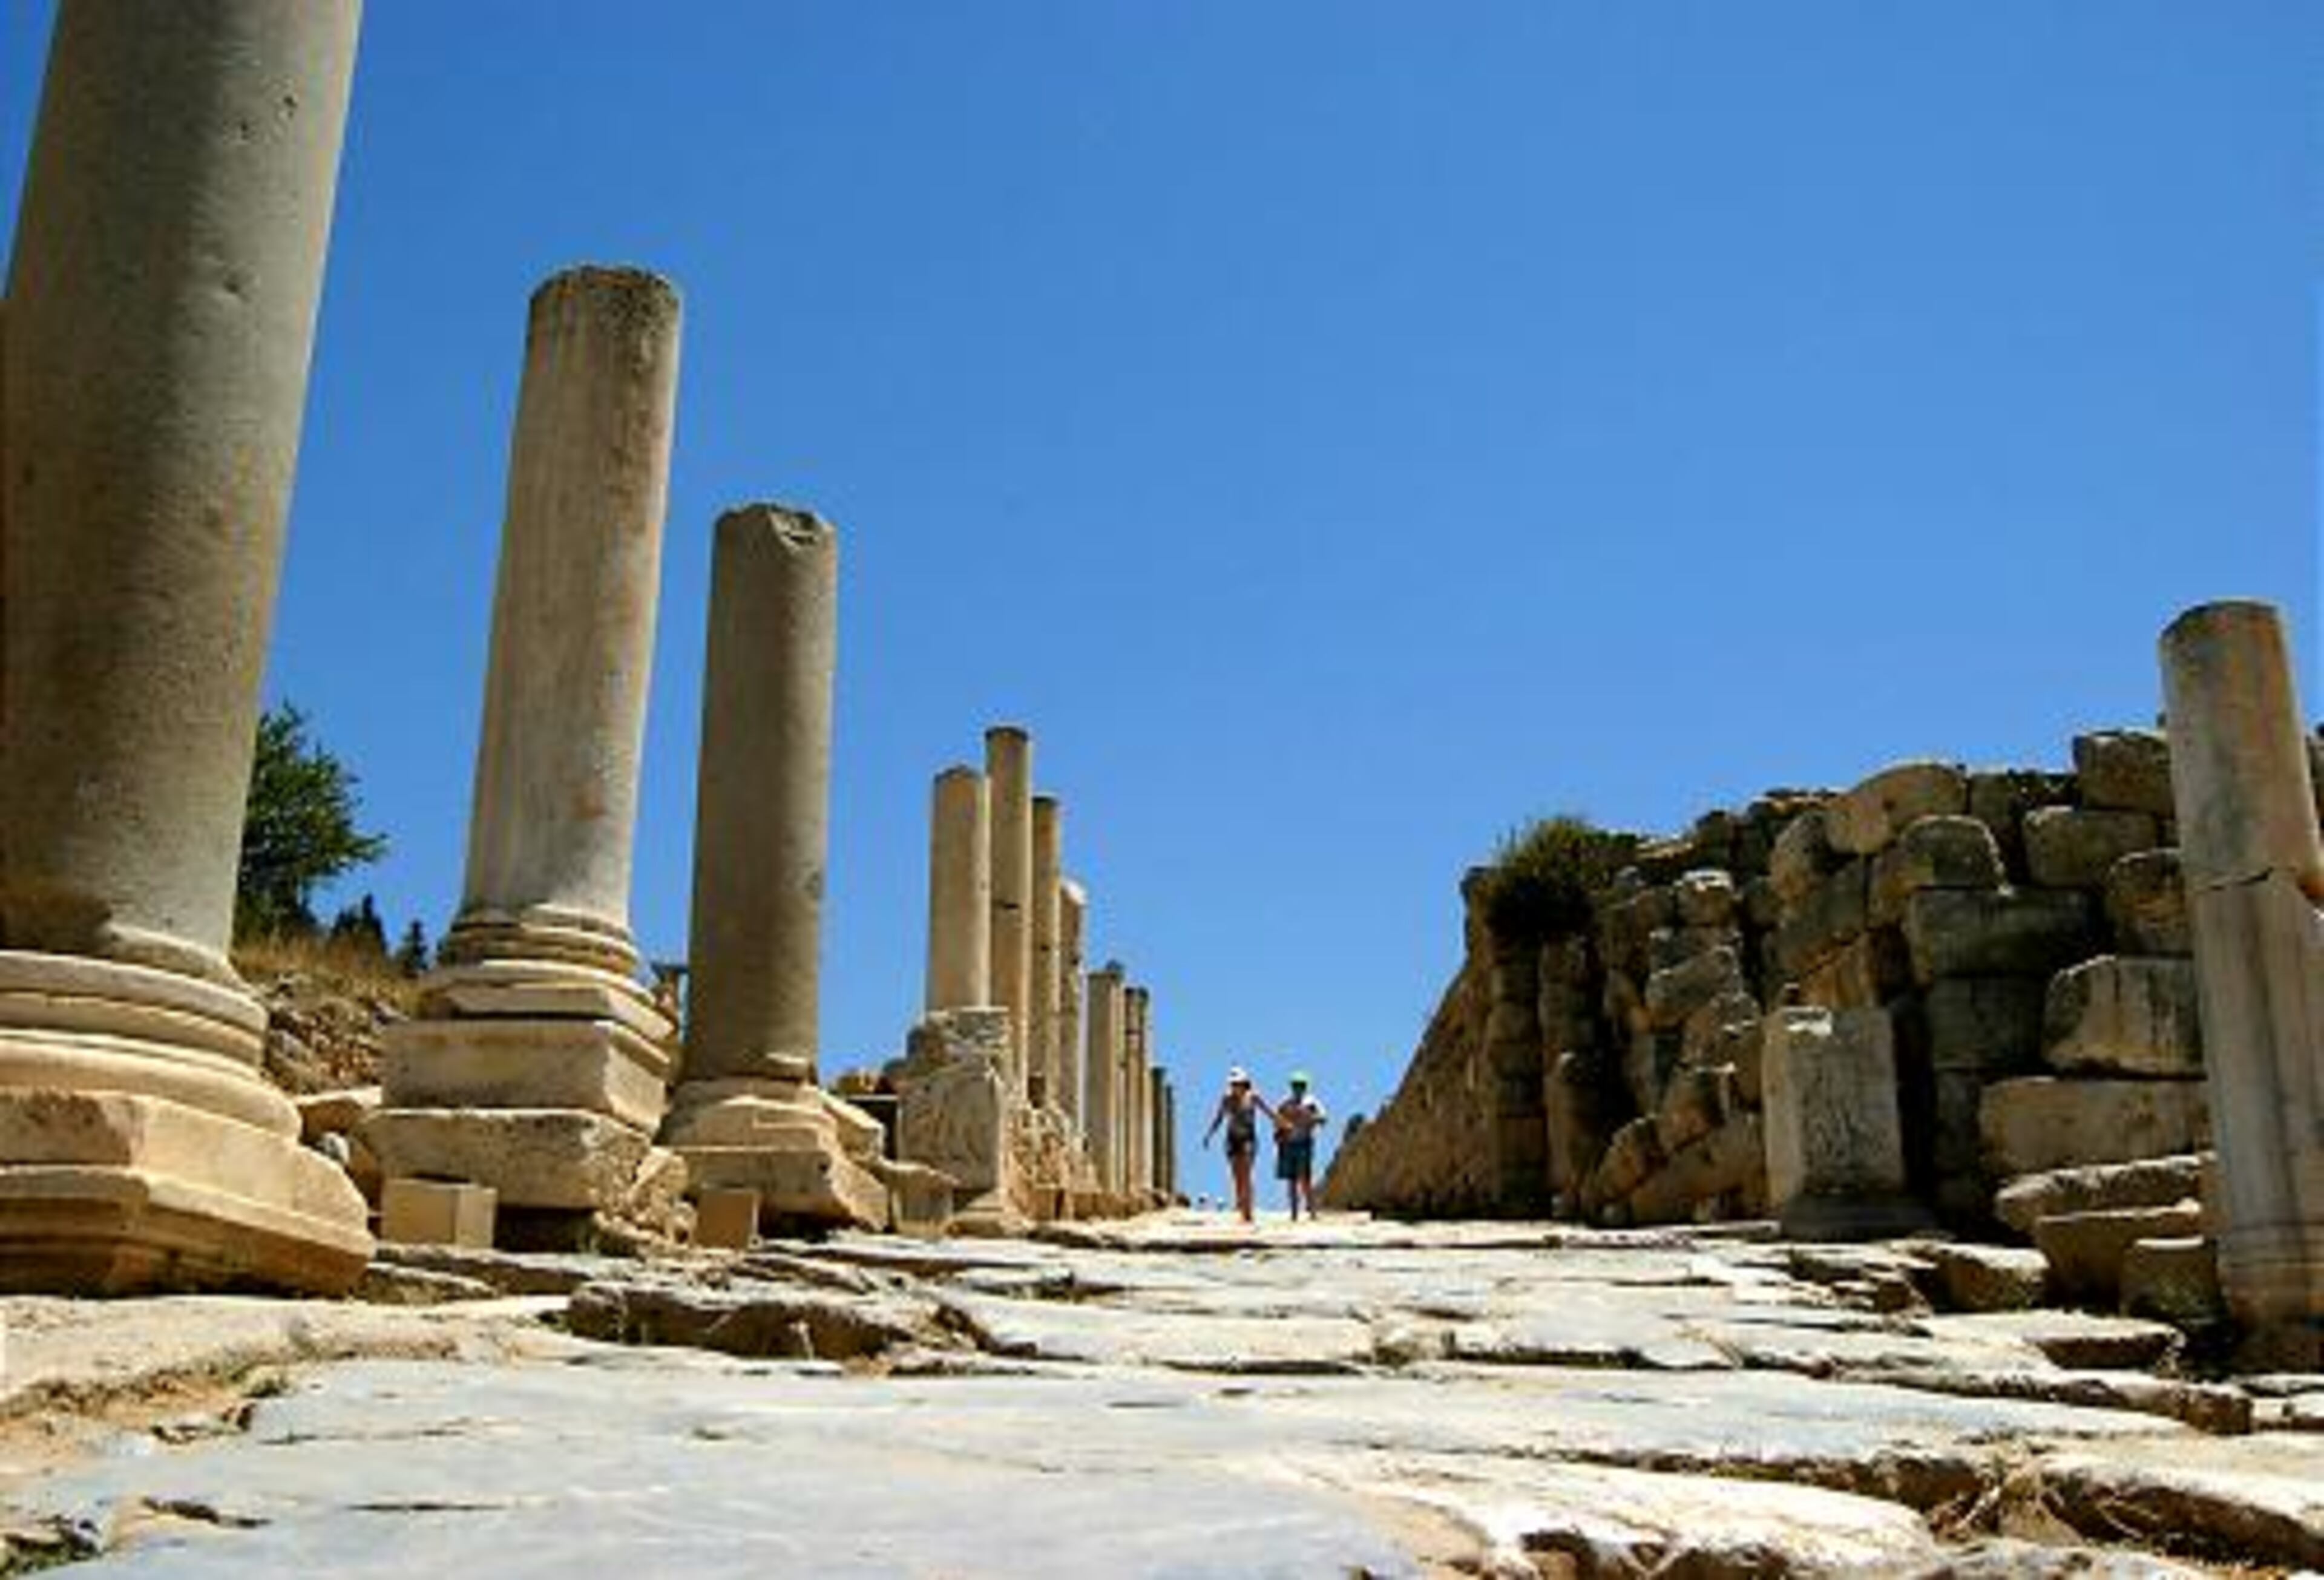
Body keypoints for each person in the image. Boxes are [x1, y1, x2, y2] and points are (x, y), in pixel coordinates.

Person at [1201, 1066, 1275, 1224]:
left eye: (1238, 1084)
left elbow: (1269, 1112)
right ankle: (1242, 1210)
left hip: (1249, 1138)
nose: (1235, 1087)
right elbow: (1219, 1118)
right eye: (1233, 1084)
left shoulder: (1253, 1097)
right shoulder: (1226, 1099)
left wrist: (1282, 1124)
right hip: (1232, 1139)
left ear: (1245, 1084)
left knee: (1246, 1175)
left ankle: (1249, 1212)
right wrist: (1209, 1135)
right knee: (1237, 1177)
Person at [1272, 1070, 1329, 1220]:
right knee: (1291, 1180)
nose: (1298, 1088)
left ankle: (1312, 1212)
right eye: (1296, 1085)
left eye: (1301, 1085)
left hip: (1304, 1143)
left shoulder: (1311, 1103)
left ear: (1306, 1087)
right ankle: (1294, 1213)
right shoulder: (1286, 1104)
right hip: (1289, 1144)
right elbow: (1277, 1122)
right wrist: (1280, 1134)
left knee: (1305, 1179)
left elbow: (1324, 1118)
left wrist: (1309, 1117)